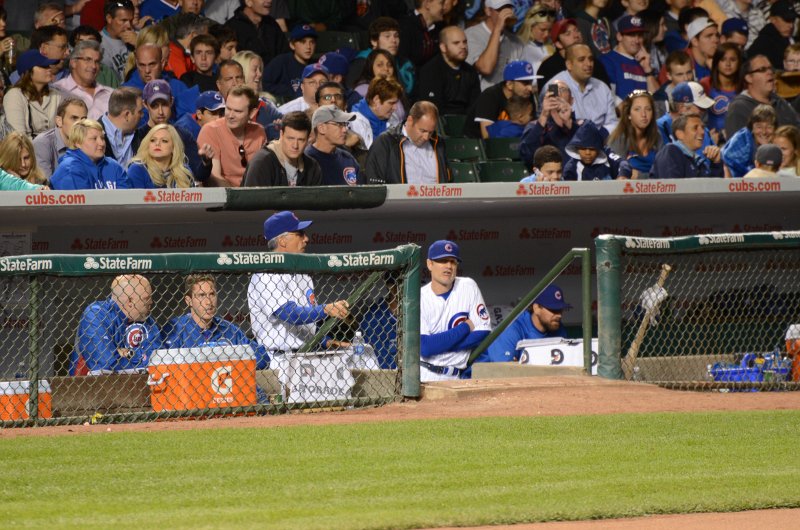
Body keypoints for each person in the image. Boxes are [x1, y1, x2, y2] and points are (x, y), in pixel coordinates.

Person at [247, 211, 351, 387]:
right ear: (282, 241)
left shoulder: (302, 273)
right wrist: (325, 309)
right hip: (280, 360)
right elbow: (289, 314)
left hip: (310, 356)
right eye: (300, 234)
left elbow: (305, 326)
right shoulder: (265, 274)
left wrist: (328, 342)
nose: (306, 238)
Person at [162, 274, 271, 370]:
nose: (209, 302)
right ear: (188, 300)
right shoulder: (175, 329)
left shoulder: (229, 330)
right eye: (201, 295)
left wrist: (231, 360)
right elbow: (165, 366)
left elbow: (263, 359)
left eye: (212, 294)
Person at [419, 240, 491, 381]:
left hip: (456, 376)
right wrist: (466, 326)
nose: (448, 266)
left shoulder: (468, 286)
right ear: (430, 264)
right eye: (442, 261)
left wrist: (440, 345)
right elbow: (426, 347)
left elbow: (484, 331)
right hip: (426, 375)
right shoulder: (419, 298)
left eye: (453, 262)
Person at [72, 274, 161, 376]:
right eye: (146, 298)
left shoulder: (147, 320)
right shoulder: (96, 313)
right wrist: (139, 357)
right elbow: (105, 365)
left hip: (141, 387)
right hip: (92, 388)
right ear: (130, 302)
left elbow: (158, 361)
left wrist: (126, 353)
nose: (151, 302)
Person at [365, 100, 450, 185]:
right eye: (422, 131)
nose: (426, 137)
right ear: (410, 120)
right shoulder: (385, 143)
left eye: (430, 132)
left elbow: (448, 180)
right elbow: (374, 185)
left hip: (437, 197)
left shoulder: (439, 143)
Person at [197, 84, 266, 187]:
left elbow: (263, 174)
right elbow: (214, 178)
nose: (230, 115)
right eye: (228, 109)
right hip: (223, 199)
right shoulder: (210, 131)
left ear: (252, 113)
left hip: (255, 196)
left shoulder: (259, 132)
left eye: (237, 111)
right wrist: (240, 198)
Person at [481, 284, 569, 362]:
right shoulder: (511, 329)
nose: (559, 315)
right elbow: (503, 371)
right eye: (553, 310)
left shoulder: (558, 329)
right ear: (536, 308)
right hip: (480, 377)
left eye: (560, 310)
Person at [724, 55, 799, 141]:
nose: (770, 72)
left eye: (770, 68)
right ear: (749, 78)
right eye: (762, 70)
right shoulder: (739, 107)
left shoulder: (779, 101)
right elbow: (737, 147)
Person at [550, 44, 618, 135]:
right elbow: (554, 124)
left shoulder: (602, 87)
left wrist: (600, 136)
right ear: (569, 64)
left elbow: (612, 122)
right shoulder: (554, 86)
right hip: (567, 142)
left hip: (600, 142)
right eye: (581, 60)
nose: (589, 64)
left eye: (590, 59)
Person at [241, 111, 322, 187]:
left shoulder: (312, 167)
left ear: (308, 140)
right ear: (281, 135)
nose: (295, 145)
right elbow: (251, 201)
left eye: (301, 140)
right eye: (290, 138)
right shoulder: (261, 163)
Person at [122, 43, 199, 121]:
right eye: (142, 65)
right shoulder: (126, 93)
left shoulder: (178, 87)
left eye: (152, 64)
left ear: (162, 63)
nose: (147, 70)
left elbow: (194, 121)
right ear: (136, 64)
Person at [417, 26, 481, 116]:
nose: (463, 46)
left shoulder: (470, 72)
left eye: (465, 42)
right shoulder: (430, 71)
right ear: (443, 47)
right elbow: (431, 109)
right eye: (456, 43)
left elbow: (475, 106)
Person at [464, 60, 538, 139]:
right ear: (509, 84)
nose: (530, 88)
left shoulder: (526, 96)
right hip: (477, 146)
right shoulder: (490, 96)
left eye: (530, 83)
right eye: (525, 83)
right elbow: (487, 137)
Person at [50, 118, 130, 189]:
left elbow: (127, 201)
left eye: (102, 138)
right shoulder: (70, 169)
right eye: (94, 139)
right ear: (78, 142)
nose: (101, 143)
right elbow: (82, 205)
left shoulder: (113, 166)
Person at [345, 17, 415, 97]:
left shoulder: (404, 63)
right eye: (387, 36)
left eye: (396, 36)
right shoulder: (362, 62)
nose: (394, 40)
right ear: (374, 41)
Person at [599, 15, 659, 106]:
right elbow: (608, 96)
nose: (637, 40)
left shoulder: (642, 63)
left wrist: (648, 71)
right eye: (631, 35)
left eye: (640, 35)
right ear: (619, 36)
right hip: (620, 118)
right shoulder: (607, 60)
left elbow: (656, 99)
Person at [466, 0, 524, 90]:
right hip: (483, 99)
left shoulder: (516, 42)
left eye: (508, 8)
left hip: (508, 100)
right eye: (500, 9)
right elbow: (485, 68)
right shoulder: (471, 35)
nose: (505, 13)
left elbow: (520, 77)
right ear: (488, 11)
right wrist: (497, 29)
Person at [3, 50, 61, 138]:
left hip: (54, 150)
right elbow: (18, 137)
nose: (49, 69)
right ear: (28, 72)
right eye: (43, 66)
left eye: (48, 66)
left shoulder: (56, 95)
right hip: (25, 149)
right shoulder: (14, 96)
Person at [656, 82, 718, 164]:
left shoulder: (703, 130)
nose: (703, 112)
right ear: (682, 108)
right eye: (700, 108)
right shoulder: (660, 127)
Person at [520, 80, 577, 167]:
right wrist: (543, 116)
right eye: (553, 90)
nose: (558, 93)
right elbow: (527, 156)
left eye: (562, 89)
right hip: (546, 178)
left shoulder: (582, 125)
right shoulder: (534, 126)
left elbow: (588, 151)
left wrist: (569, 123)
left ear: (572, 100)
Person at [52, 39, 112, 120]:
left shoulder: (110, 94)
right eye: (88, 59)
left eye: (97, 62)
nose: (94, 66)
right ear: (73, 62)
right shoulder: (57, 92)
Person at [305, 105, 362, 186]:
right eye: (339, 124)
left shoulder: (348, 159)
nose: (345, 129)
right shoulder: (306, 161)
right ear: (321, 128)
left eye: (345, 124)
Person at [223, 0, 289, 70]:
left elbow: (284, 55)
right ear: (248, 2)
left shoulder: (272, 25)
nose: (269, 1)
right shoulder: (232, 28)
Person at [652, 113, 723, 178]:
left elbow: (710, 189)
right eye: (695, 128)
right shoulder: (671, 152)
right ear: (680, 134)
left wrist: (716, 163)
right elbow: (672, 189)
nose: (702, 132)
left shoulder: (699, 162)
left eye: (702, 128)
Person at [33, 97, 88, 179]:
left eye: (83, 119)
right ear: (59, 121)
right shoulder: (42, 143)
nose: (79, 124)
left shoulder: (88, 142)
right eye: (74, 118)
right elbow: (46, 186)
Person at [127, 124, 196, 188]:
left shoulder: (183, 172)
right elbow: (135, 200)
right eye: (153, 140)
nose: (157, 144)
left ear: (173, 147)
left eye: (164, 141)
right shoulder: (137, 169)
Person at [699, 43, 743, 141]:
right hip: (712, 140)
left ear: (739, 62)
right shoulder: (705, 84)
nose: (728, 64)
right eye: (723, 60)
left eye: (732, 60)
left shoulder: (745, 86)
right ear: (716, 62)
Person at [263, 24, 317, 99]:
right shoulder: (281, 61)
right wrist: (290, 91)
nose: (308, 47)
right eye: (303, 42)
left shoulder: (317, 65)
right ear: (292, 45)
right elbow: (264, 83)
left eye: (312, 42)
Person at [722, 104, 777, 177]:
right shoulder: (741, 142)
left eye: (769, 127)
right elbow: (728, 159)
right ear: (752, 128)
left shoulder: (779, 142)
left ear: (775, 128)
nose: (764, 132)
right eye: (759, 127)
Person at [350, 78, 404, 149]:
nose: (395, 108)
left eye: (396, 103)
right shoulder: (355, 122)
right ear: (376, 100)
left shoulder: (393, 117)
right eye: (391, 103)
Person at [99, 86, 144, 168]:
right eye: (140, 112)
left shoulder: (139, 136)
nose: (142, 115)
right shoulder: (92, 134)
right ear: (127, 115)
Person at [746, 1, 795, 71]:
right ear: (772, 19)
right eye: (786, 20)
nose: (791, 25)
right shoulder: (763, 44)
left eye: (793, 20)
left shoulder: (792, 40)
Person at [398, 0, 446, 70]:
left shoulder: (441, 29)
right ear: (427, 4)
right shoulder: (404, 27)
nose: (444, 7)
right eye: (441, 3)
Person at [100, 0, 137, 83]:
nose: (128, 26)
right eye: (123, 20)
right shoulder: (99, 44)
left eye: (130, 21)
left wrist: (140, 44)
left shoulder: (138, 36)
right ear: (109, 18)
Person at [517, 4, 556, 76]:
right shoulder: (519, 46)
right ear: (531, 26)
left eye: (549, 30)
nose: (547, 34)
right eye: (542, 30)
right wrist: (543, 64)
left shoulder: (551, 46)